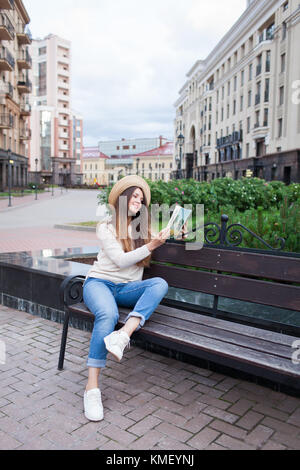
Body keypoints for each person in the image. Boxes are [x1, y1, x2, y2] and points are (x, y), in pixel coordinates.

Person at [82, 175, 171, 421]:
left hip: (126, 289)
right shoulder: (106, 226)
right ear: (123, 198)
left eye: (141, 199)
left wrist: (178, 233)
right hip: (99, 283)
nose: (138, 201)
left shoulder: (144, 228)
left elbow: (162, 237)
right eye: (134, 196)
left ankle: (123, 336)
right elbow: (120, 261)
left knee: (159, 284)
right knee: (108, 315)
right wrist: (152, 246)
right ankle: (92, 388)